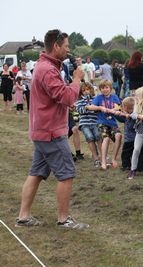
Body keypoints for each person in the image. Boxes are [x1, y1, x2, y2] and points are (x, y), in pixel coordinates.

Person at [15, 29, 88, 229]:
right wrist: (76, 80)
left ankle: (23, 216)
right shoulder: (47, 69)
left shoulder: (45, 66)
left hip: (42, 130)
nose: (68, 50)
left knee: (36, 172)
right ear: (56, 46)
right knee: (66, 173)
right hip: (51, 132)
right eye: (66, 46)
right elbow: (67, 98)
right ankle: (64, 220)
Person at [87, 79, 122, 170]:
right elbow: (90, 107)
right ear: (100, 89)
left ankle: (113, 159)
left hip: (112, 123)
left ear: (110, 88)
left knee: (118, 136)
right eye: (102, 88)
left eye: (106, 87)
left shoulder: (114, 97)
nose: (104, 89)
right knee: (105, 138)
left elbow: (117, 107)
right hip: (102, 123)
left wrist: (113, 110)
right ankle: (103, 162)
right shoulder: (98, 98)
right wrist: (100, 107)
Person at [75, 82, 102, 167]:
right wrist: (87, 107)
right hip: (84, 124)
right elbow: (80, 111)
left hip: (95, 122)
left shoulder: (95, 99)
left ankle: (103, 156)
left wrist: (95, 108)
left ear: (91, 90)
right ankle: (95, 158)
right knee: (90, 138)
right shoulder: (79, 101)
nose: (86, 92)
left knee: (98, 136)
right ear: (81, 92)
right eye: (84, 90)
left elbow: (98, 109)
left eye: (88, 89)